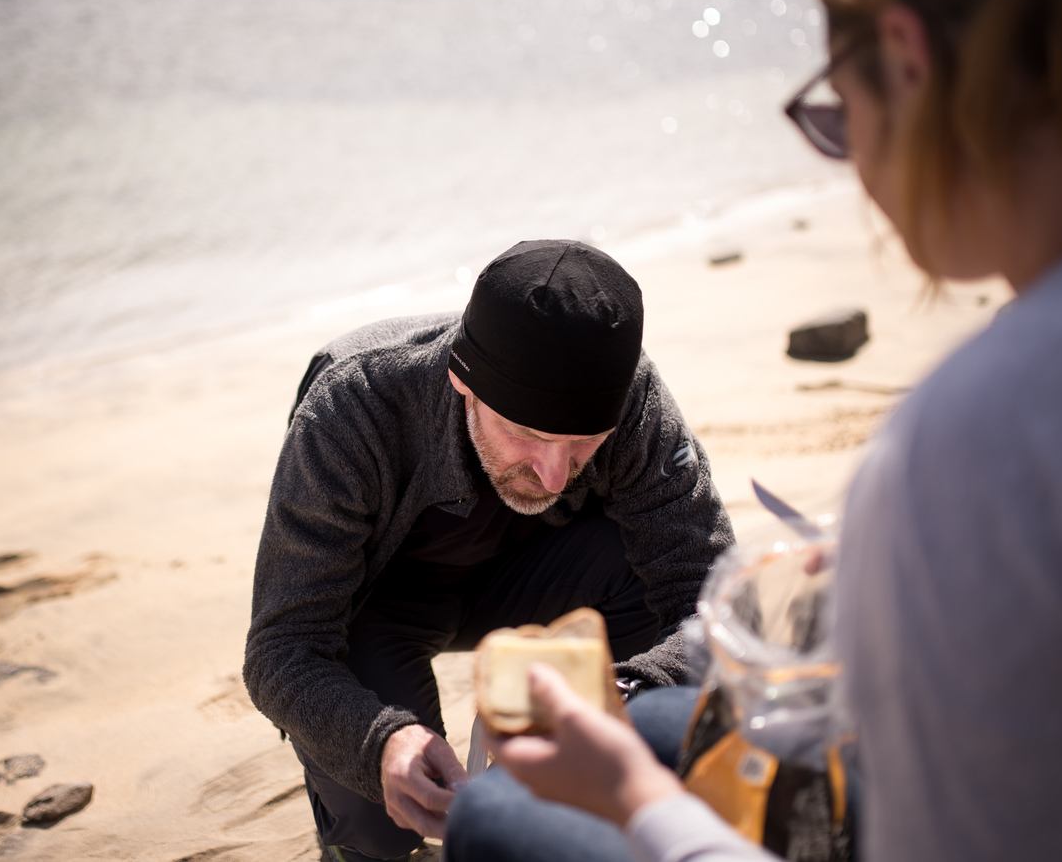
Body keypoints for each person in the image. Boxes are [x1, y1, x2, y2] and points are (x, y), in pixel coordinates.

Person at [444, 0, 1062, 860]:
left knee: (500, 811)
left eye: (834, 115)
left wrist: (634, 802)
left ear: (907, 60)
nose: (848, 168)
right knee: (678, 722)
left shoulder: (993, 432)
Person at [242, 239, 736, 861]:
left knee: (652, 626)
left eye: (584, 445)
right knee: (383, 823)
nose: (555, 476)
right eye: (526, 436)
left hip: (547, 578)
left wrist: (624, 695)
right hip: (381, 603)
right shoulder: (353, 405)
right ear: (461, 381)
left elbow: (716, 604)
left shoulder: (631, 397)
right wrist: (381, 747)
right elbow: (281, 648)